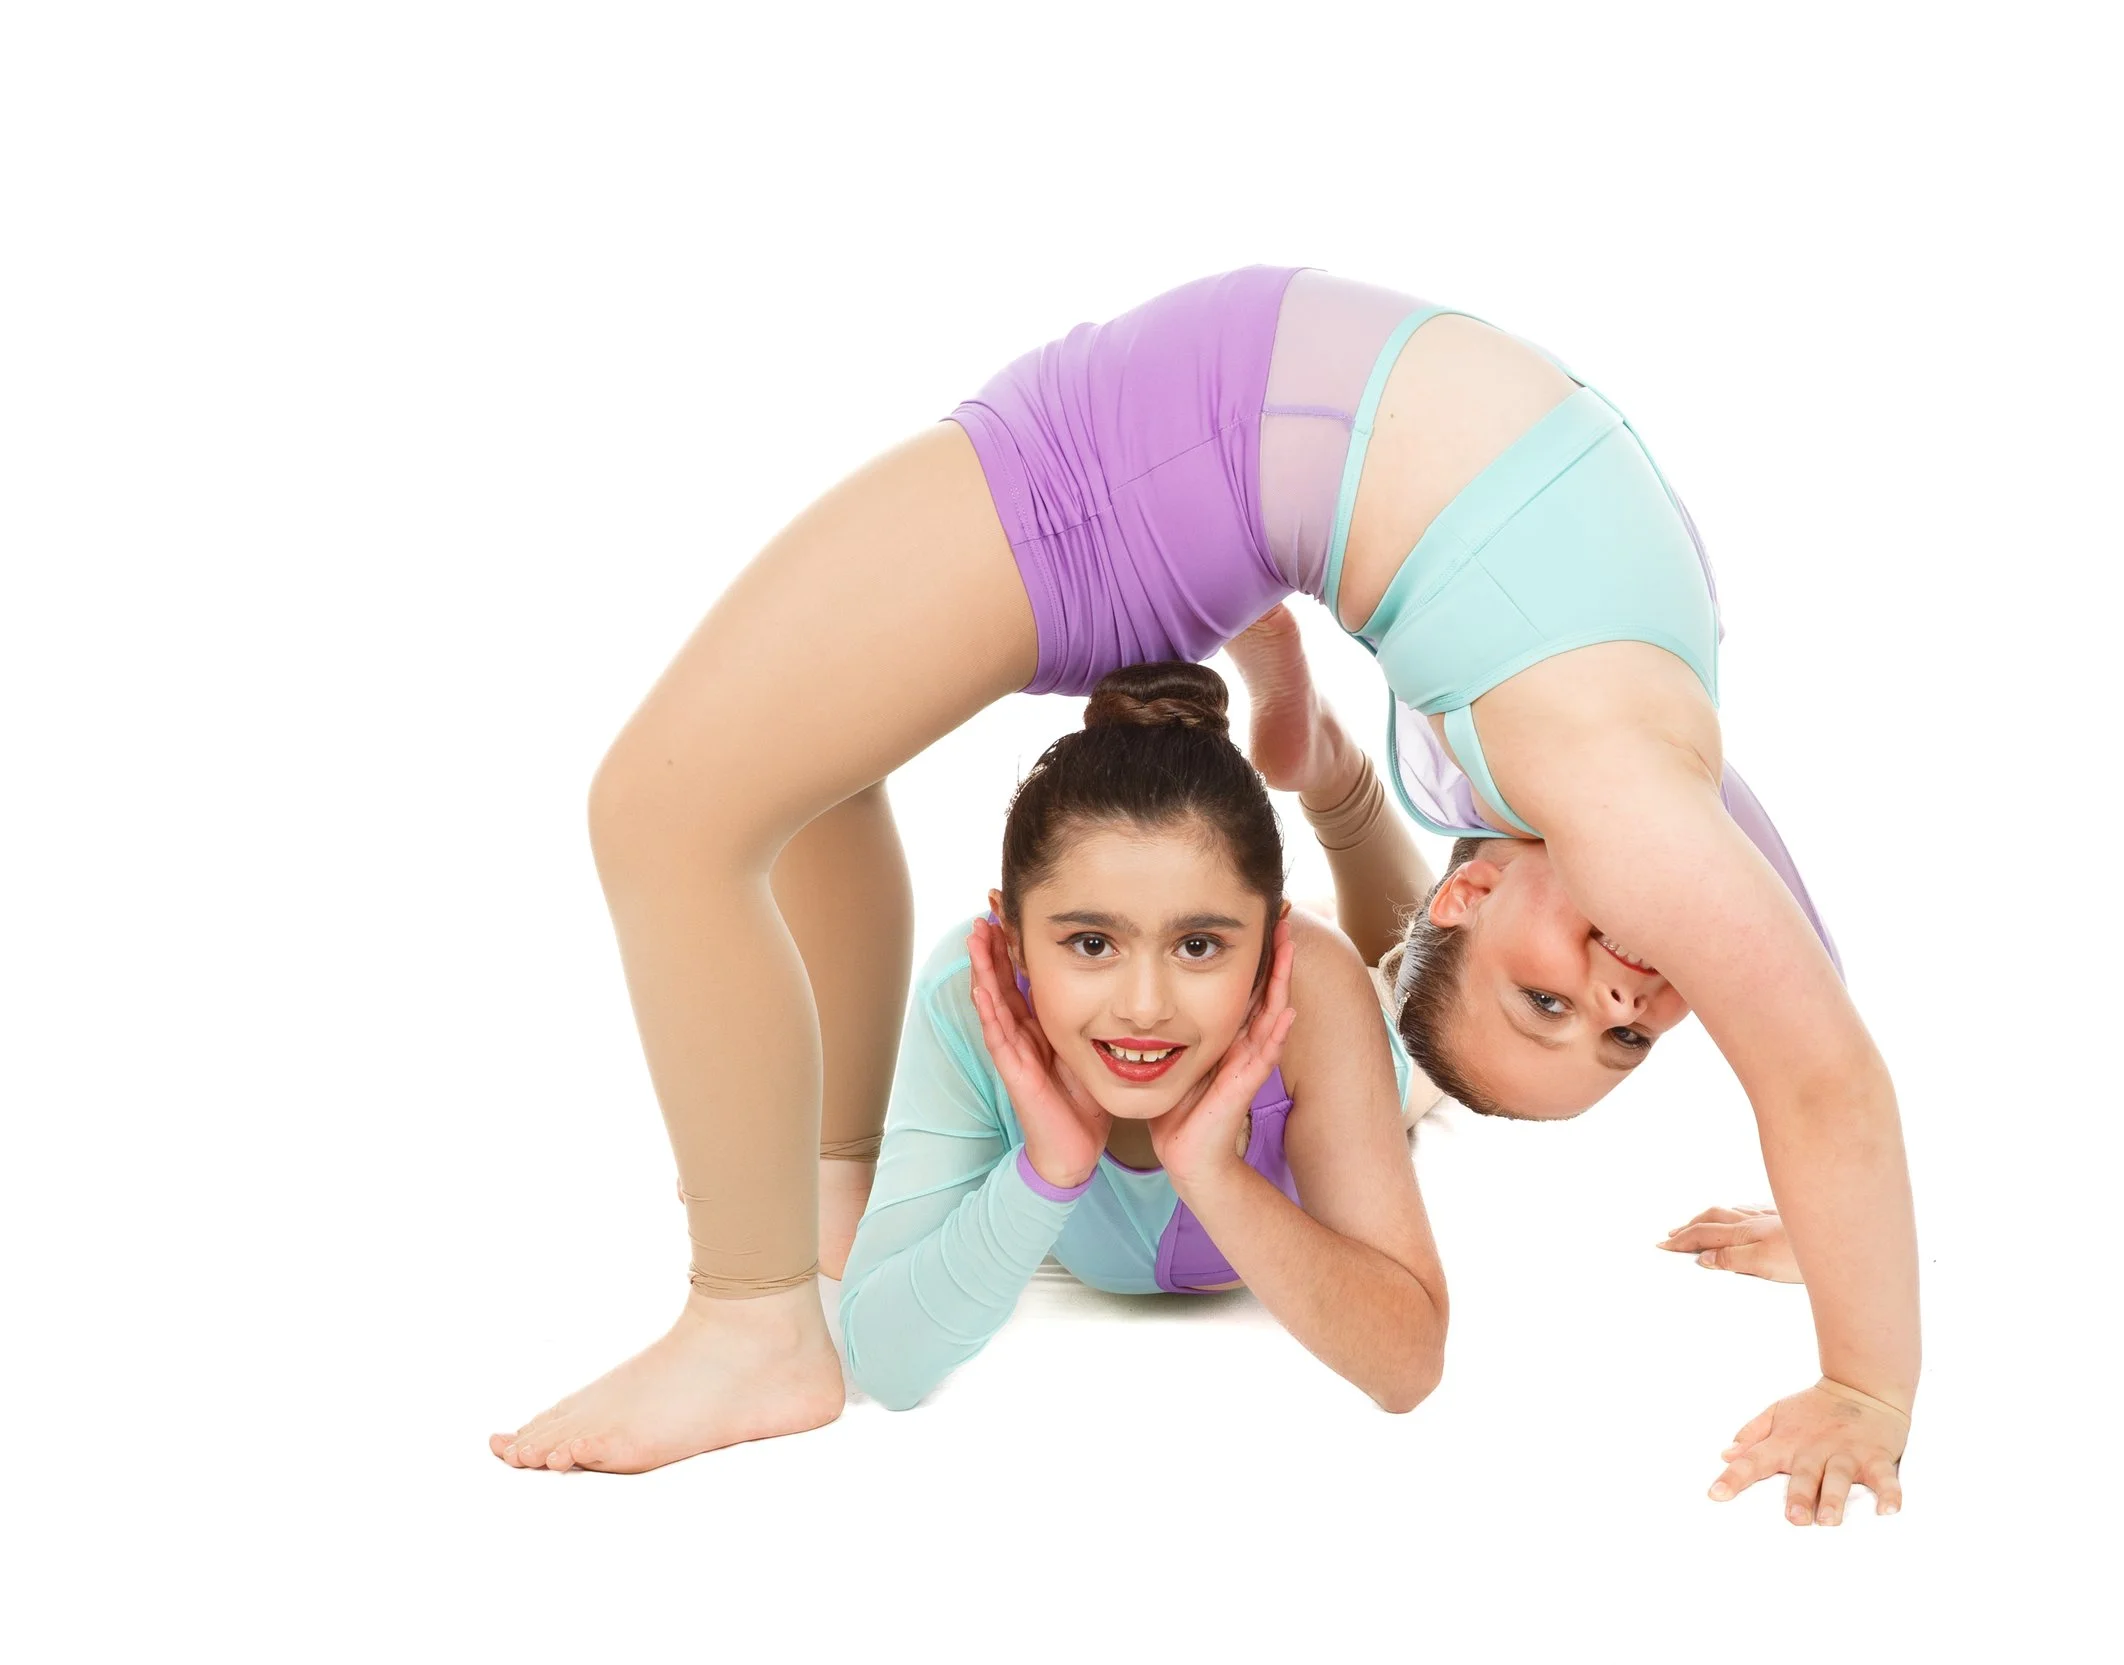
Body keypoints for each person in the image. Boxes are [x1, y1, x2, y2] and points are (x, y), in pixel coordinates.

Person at [493, 267, 1914, 1527]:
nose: (1623, 996)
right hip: (1187, 446)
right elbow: (1814, 1046)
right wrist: (1845, 1304)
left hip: (1136, 476)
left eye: (1578, 1014)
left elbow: (1811, 1051)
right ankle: (825, 1198)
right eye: (1603, 1022)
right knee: (763, 778)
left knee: (667, 810)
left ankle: (755, 1314)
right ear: (1464, 887)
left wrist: (1856, 1334)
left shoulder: (1602, 790)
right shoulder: (1638, 802)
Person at [836, 660, 1445, 1413]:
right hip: (1229, 993)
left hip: (1335, 1012)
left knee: (1416, 995)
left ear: (1268, 945)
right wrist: (1048, 1171)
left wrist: (1212, 1174)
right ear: (1015, 937)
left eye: (1198, 945)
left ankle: (1336, 778)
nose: (1145, 1008)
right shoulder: (975, 993)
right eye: (1091, 943)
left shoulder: (1308, 989)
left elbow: (1408, 1366)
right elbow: (883, 1365)